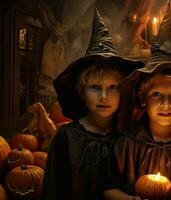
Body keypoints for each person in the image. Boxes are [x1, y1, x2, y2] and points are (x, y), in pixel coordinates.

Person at [103, 3, 171, 200]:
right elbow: (107, 189)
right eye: (156, 95)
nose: (166, 104)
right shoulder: (127, 144)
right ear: (142, 99)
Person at [42, 8, 144, 200]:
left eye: (113, 87)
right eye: (95, 87)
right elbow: (53, 190)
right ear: (81, 92)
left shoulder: (130, 136)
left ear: (123, 92)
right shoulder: (67, 137)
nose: (103, 96)